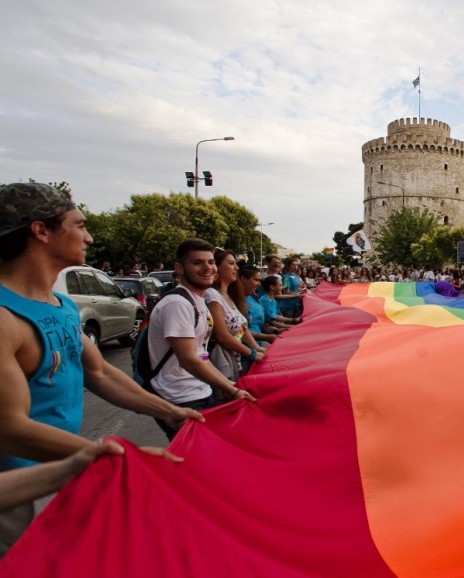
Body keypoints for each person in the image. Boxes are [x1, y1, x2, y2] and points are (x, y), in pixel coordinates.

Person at [0, 182, 203, 555]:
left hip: (66, 473)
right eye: (78, 225)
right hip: (21, 490)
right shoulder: (4, 317)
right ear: (40, 231)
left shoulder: (59, 303)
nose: (89, 237)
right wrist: (111, 454)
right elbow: (10, 429)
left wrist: (171, 411)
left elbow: (101, 373)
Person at [146, 239, 256, 439]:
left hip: (200, 391)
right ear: (180, 268)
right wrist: (229, 388)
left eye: (211, 262)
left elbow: (201, 354)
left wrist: (227, 384)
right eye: (197, 263)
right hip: (180, 398)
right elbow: (189, 359)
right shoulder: (177, 304)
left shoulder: (198, 299)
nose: (208, 268)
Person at [205, 249, 266, 381]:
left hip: (234, 360)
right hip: (221, 363)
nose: (237, 268)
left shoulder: (229, 296)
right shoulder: (212, 295)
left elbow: (241, 328)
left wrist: (257, 347)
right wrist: (252, 353)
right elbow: (222, 336)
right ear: (217, 267)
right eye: (232, 263)